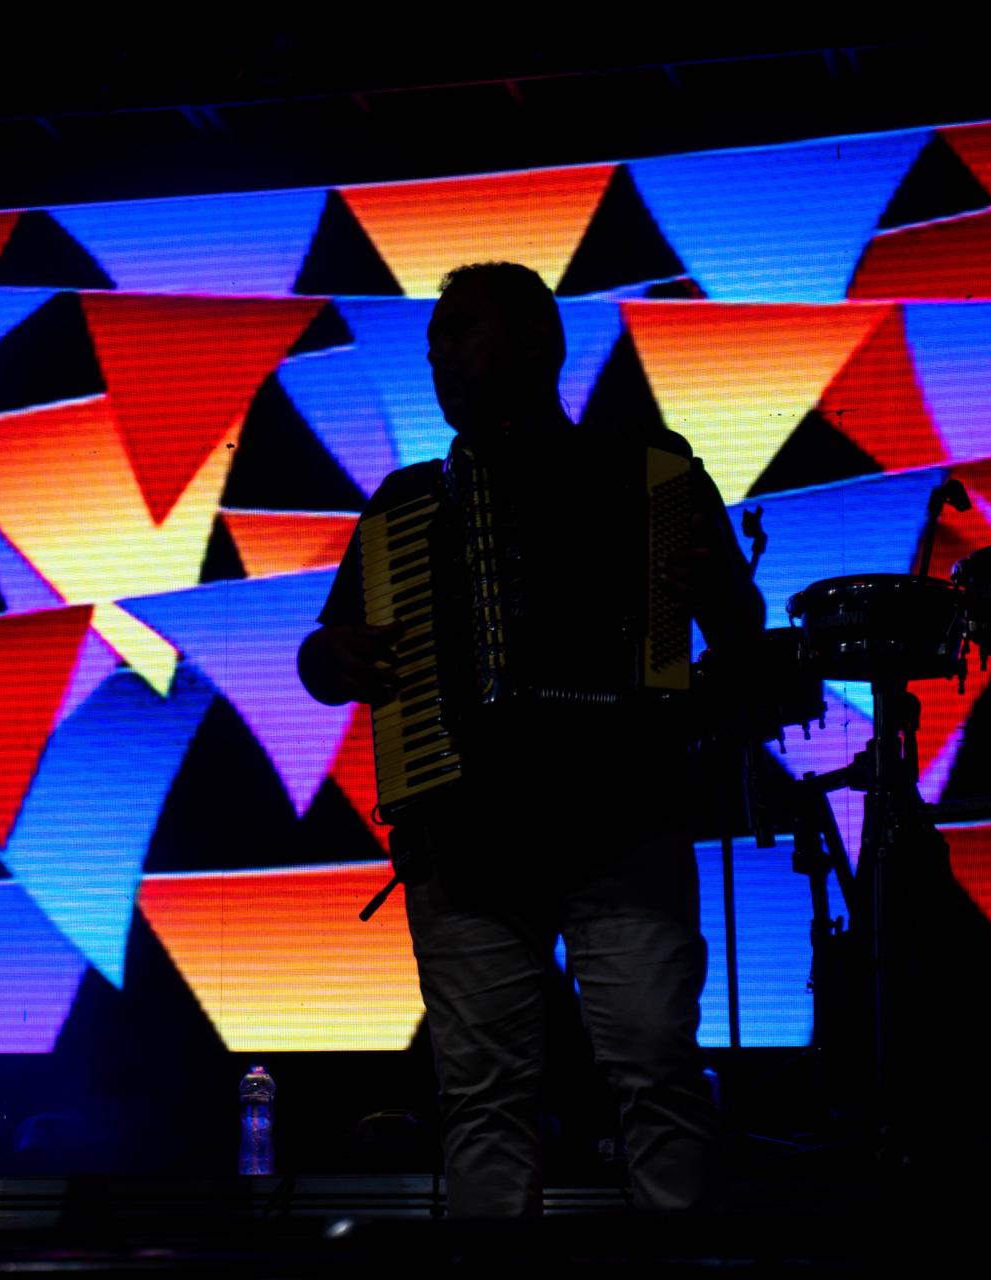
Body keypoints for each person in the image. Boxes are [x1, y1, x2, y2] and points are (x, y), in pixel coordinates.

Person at [298, 262, 762, 1217]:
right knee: (482, 1095)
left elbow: (739, 635)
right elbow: (330, 654)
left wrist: (720, 599)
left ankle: (690, 1269)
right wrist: (326, 655)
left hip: (622, 817)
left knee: (654, 1064)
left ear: (539, 344)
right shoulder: (404, 508)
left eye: (460, 330)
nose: (439, 353)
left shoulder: (652, 473)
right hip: (466, 835)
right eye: (433, 339)